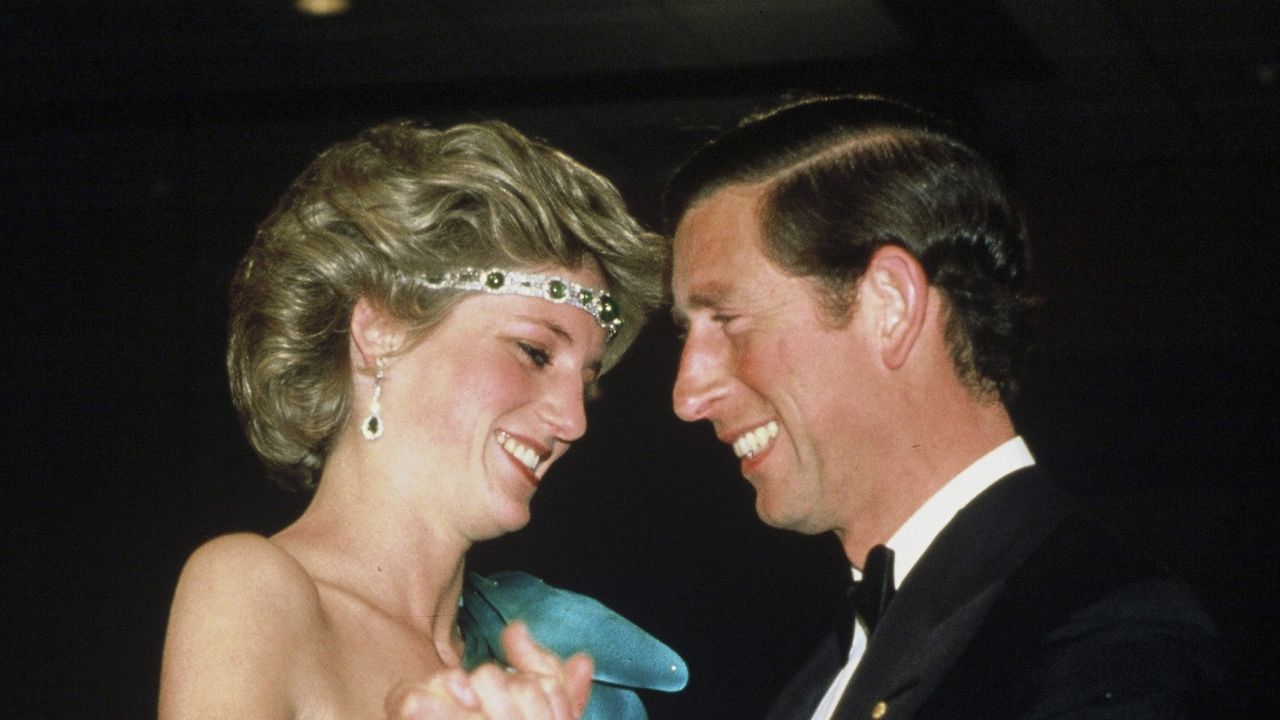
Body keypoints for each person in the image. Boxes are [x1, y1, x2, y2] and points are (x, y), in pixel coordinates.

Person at [663, 94, 1222, 719]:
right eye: (688, 334)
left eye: (729, 320)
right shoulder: (821, 675)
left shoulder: (1107, 630)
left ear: (892, 305)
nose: (688, 395)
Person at [158, 119, 683, 720]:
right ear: (381, 333)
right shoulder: (253, 589)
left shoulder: (537, 659)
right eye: (534, 353)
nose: (571, 422)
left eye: (587, 388)